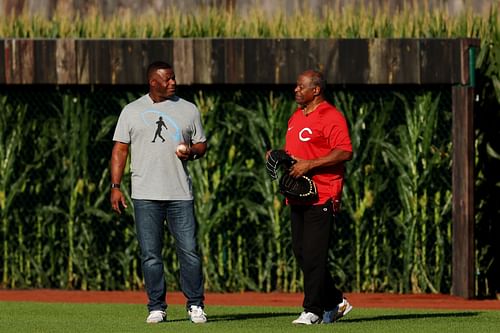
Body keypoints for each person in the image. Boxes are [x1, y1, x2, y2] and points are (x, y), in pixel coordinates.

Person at [110, 61, 208, 324]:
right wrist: (116, 187)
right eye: (167, 79)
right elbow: (120, 150)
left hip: (180, 195)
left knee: (189, 251)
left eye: (174, 78)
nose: (173, 82)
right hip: (145, 195)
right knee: (151, 254)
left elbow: (201, 144)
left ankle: (195, 305)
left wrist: (192, 151)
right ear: (153, 82)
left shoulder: (189, 109)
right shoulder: (131, 111)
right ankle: (156, 307)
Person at [280, 69, 353, 324]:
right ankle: (334, 300)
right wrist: (278, 155)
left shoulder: (331, 116)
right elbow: (296, 154)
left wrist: (310, 165)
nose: (296, 90)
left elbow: (344, 151)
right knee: (300, 251)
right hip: (299, 194)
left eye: (301, 87)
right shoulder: (296, 117)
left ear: (316, 90)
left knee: (314, 255)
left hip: (322, 194)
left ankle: (312, 310)